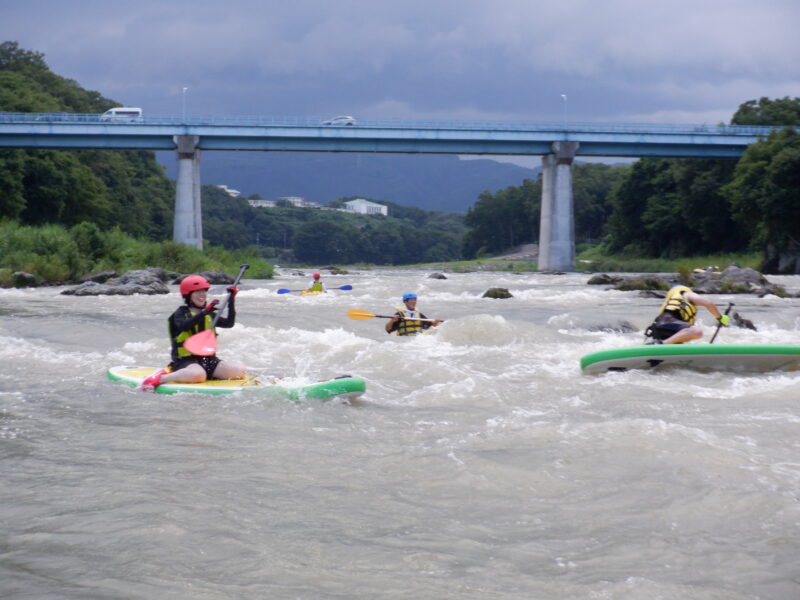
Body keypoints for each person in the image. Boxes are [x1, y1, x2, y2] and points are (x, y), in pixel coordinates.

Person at [139, 275, 247, 391]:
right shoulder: (180, 313)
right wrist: (204, 312)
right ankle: (161, 378)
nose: (202, 294)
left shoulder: (209, 314)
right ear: (188, 295)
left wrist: (231, 301)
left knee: (240, 370)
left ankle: (208, 375)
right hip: (185, 361)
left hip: (208, 360)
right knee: (198, 375)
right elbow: (184, 326)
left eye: (204, 291)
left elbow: (229, 324)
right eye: (197, 292)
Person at [644, 284, 729, 344]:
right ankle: (662, 344)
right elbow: (708, 303)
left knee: (678, 341)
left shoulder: (671, 300)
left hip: (660, 328)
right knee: (697, 332)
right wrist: (720, 317)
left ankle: (659, 347)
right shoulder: (685, 293)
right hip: (667, 322)